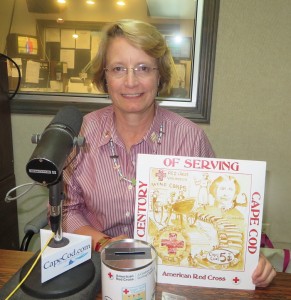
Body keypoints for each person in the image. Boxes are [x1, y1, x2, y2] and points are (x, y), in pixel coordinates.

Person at [61, 19, 276, 287]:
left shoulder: (190, 138)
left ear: (159, 75)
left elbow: (218, 209)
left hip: (174, 272)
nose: (131, 81)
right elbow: (67, 209)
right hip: (100, 271)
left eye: (143, 68)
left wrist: (246, 259)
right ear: (104, 76)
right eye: (118, 68)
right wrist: (105, 243)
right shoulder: (81, 133)